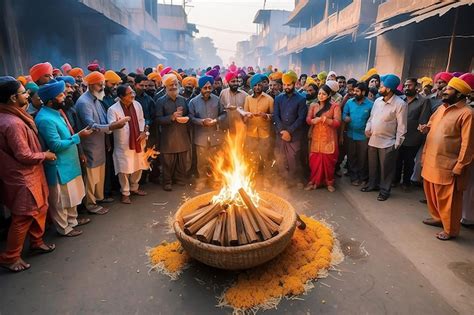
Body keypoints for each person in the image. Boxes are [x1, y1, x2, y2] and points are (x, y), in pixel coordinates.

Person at [0, 76, 56, 272]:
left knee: (41, 207)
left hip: (32, 173)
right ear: (13, 98)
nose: (28, 95)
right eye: (24, 92)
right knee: (23, 216)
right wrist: (46, 155)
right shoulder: (12, 123)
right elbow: (23, 154)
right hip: (22, 176)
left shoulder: (15, 116)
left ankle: (37, 241)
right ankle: (11, 257)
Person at [35, 80, 92, 237]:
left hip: (70, 163)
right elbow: (55, 145)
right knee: (60, 201)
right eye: (61, 95)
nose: (65, 96)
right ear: (50, 100)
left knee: (72, 196)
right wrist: (77, 137)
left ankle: (72, 221)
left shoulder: (57, 113)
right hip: (59, 166)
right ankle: (64, 228)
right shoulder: (45, 119)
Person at [419, 77, 474, 240]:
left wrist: (460, 165)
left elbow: (468, 144)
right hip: (431, 160)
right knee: (432, 193)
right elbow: (431, 124)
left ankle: (451, 230)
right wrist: (425, 128)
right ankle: (437, 218)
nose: (444, 91)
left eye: (449, 89)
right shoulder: (441, 109)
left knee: (448, 199)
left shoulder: (467, 114)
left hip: (448, 164)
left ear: (459, 94)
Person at [76, 71, 130, 213]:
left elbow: (103, 120)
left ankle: (98, 198)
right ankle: (90, 204)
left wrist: (112, 125)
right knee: (91, 177)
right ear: (91, 85)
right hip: (90, 146)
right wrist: (112, 126)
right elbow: (91, 125)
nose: (103, 87)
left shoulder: (97, 99)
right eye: (100, 85)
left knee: (99, 175)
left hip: (100, 144)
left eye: (103, 84)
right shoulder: (83, 102)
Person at [362, 74, 407, 201]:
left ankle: (384, 190)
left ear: (388, 89)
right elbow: (372, 118)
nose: (379, 87)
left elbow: (402, 127)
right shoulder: (377, 101)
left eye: (381, 86)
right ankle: (372, 185)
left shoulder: (400, 104)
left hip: (388, 142)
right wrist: (367, 128)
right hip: (373, 139)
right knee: (373, 166)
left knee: (386, 169)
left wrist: (396, 144)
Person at [107, 84, 148, 204]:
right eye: (130, 93)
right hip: (123, 145)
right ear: (121, 96)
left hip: (138, 141)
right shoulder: (113, 109)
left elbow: (141, 119)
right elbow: (110, 127)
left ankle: (134, 187)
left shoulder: (137, 104)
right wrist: (120, 123)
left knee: (138, 165)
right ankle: (125, 192)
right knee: (123, 169)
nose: (133, 95)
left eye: (133, 93)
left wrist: (142, 132)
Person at [188, 75, 227, 192]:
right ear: (200, 88)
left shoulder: (217, 99)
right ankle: (202, 181)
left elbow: (224, 114)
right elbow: (190, 117)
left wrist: (216, 120)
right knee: (201, 162)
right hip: (201, 136)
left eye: (209, 87)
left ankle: (215, 181)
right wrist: (201, 122)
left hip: (215, 136)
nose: (208, 90)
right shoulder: (193, 102)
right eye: (205, 88)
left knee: (216, 160)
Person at [155, 74, 192, 191]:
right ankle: (167, 182)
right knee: (167, 161)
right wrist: (171, 117)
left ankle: (180, 179)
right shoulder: (160, 101)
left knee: (182, 160)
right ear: (165, 87)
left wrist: (187, 118)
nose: (174, 87)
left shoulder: (182, 99)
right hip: (168, 136)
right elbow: (157, 119)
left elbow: (189, 113)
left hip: (182, 134)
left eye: (176, 84)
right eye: (171, 85)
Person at [394, 78, 431, 190]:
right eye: (405, 86)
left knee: (409, 161)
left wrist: (420, 136)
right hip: (398, 136)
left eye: (409, 86)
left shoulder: (423, 101)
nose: (406, 88)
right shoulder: (400, 99)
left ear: (416, 87)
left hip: (413, 137)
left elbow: (423, 120)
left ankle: (406, 182)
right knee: (397, 160)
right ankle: (395, 180)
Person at [273, 71, 308, 189]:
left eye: (289, 85)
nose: (286, 87)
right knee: (281, 157)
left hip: (295, 135)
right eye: (284, 85)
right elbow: (276, 116)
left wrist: (289, 131)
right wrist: (282, 131)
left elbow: (301, 118)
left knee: (293, 158)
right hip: (281, 133)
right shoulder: (278, 98)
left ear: (294, 84)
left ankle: (293, 179)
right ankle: (283, 179)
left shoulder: (301, 99)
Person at [305, 84, 341, 191]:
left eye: (324, 94)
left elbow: (338, 122)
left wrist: (327, 120)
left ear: (329, 95)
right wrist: (312, 121)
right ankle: (314, 181)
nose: (321, 96)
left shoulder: (335, 106)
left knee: (328, 162)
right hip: (316, 138)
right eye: (319, 93)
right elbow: (308, 119)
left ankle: (329, 182)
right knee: (314, 161)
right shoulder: (313, 106)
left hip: (329, 139)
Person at [242, 74, 274, 184]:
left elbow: (274, 116)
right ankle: (252, 178)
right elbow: (244, 115)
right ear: (252, 87)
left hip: (265, 132)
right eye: (255, 85)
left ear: (262, 85)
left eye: (259, 85)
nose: (257, 87)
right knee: (252, 156)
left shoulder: (269, 99)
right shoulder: (248, 99)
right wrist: (247, 116)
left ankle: (267, 179)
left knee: (265, 157)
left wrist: (266, 116)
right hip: (251, 132)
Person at [343, 82, 373, 186]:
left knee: (363, 158)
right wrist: (345, 117)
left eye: (357, 91)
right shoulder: (349, 102)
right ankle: (354, 177)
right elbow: (344, 114)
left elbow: (372, 119)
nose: (354, 93)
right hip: (351, 135)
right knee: (351, 157)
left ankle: (363, 177)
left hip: (363, 136)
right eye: (354, 91)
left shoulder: (370, 105)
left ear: (363, 92)